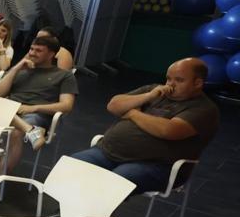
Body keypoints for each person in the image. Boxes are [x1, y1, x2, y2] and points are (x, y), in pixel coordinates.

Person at [69, 58, 219, 192]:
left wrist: (133, 113)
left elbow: (168, 130)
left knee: (110, 185)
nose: (170, 85)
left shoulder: (204, 109)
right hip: (108, 152)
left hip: (155, 165)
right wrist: (148, 96)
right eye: (168, 79)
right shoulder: (154, 90)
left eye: (179, 80)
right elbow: (114, 105)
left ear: (198, 83)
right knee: (71, 169)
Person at [0, 35, 77, 196]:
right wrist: (15, 69)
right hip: (9, 110)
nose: (32, 53)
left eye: (38, 50)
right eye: (31, 49)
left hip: (35, 115)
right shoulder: (21, 70)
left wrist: (33, 108)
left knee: (15, 132)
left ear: (51, 54)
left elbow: (67, 105)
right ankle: (30, 131)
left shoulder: (64, 76)